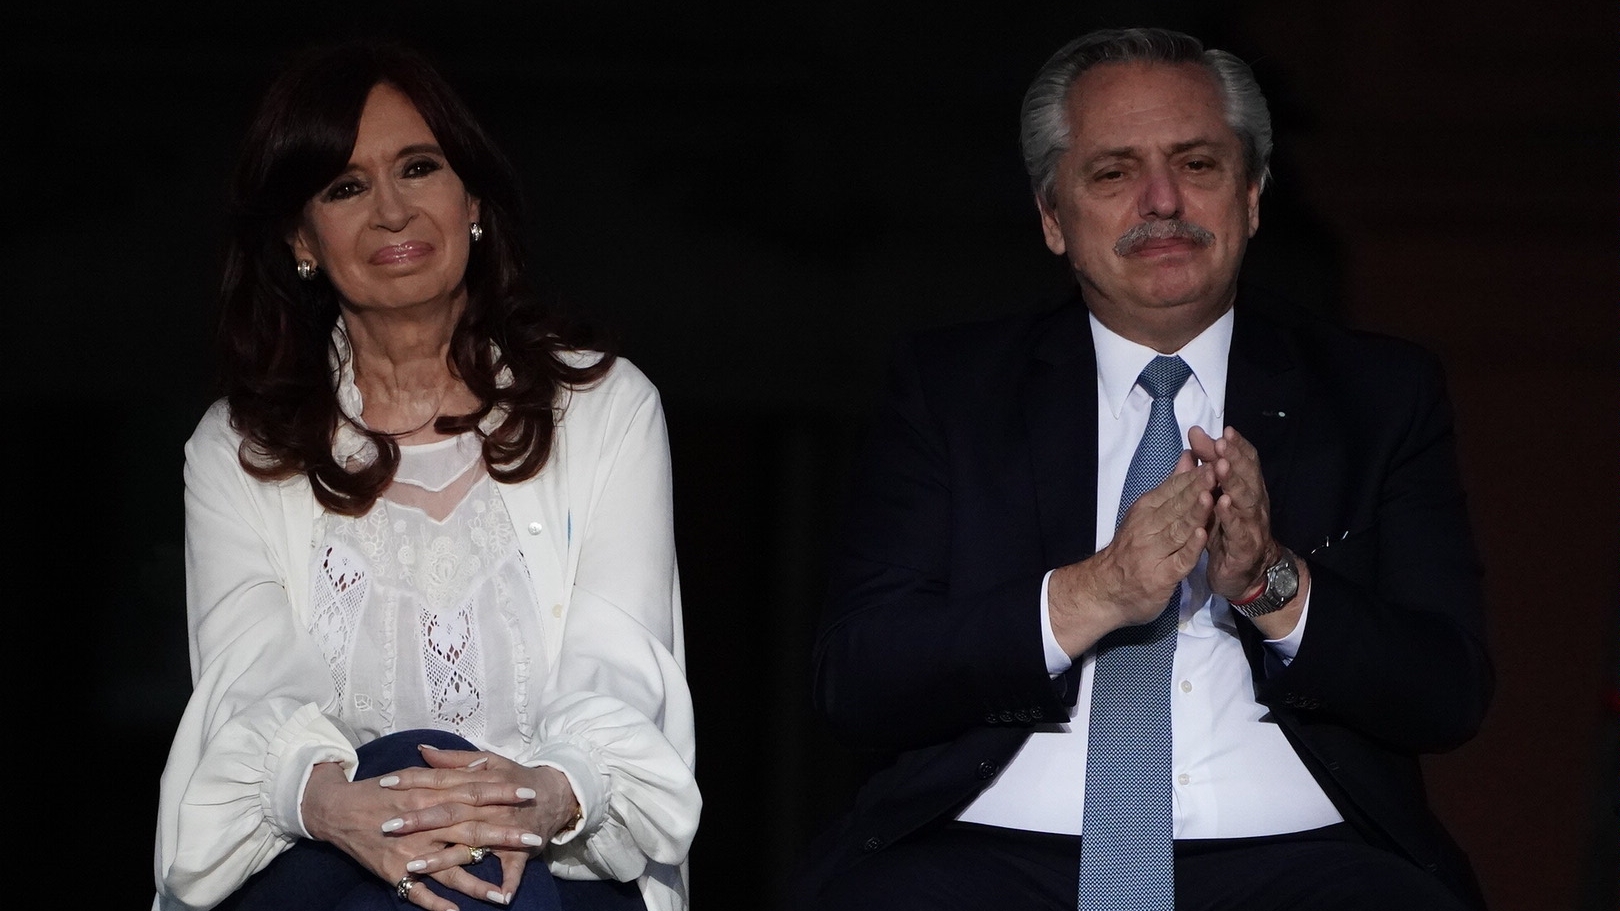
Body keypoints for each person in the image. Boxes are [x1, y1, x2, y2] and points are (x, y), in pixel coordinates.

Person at [796, 26, 1492, 911]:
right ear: (1053, 217)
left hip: (1305, 854)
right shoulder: (952, 390)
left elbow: (1449, 689)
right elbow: (858, 677)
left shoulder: (1377, 393)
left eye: (1197, 164)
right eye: (1114, 173)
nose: (1161, 201)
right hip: (992, 849)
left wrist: (1272, 583)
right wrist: (1097, 592)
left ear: (1251, 195)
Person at [152, 38, 700, 911]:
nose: (393, 212)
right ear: (302, 239)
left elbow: (618, 669)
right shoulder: (238, 449)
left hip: (555, 858)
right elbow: (252, 692)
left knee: (499, 883)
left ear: (473, 198)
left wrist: (523, 800)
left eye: (418, 167)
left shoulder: (605, 409)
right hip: (330, 861)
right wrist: (346, 806)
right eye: (345, 187)